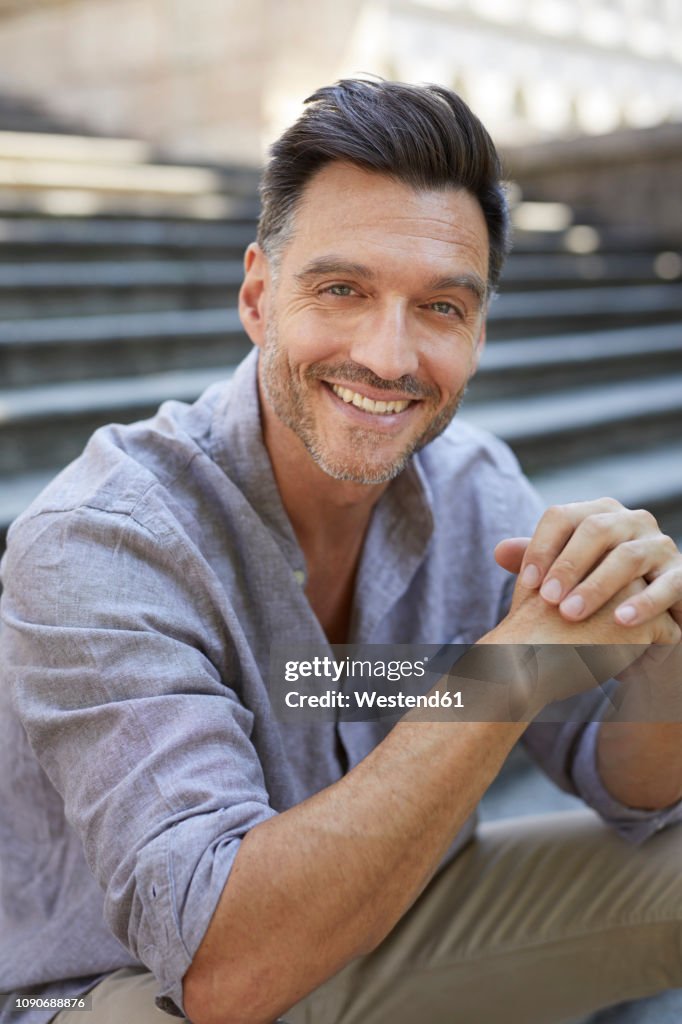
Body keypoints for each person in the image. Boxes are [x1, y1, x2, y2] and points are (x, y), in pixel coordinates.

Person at [1, 78, 681, 1024]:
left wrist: (663, 645)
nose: (391, 357)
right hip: (130, 990)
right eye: (341, 290)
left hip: (389, 928)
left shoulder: (479, 489)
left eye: (441, 307)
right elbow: (223, 973)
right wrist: (508, 677)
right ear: (256, 295)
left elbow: (631, 784)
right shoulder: (104, 539)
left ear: (479, 332)